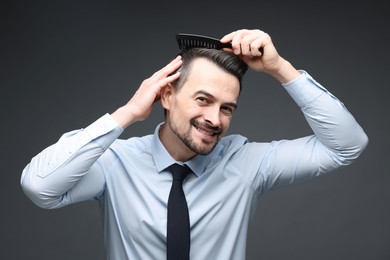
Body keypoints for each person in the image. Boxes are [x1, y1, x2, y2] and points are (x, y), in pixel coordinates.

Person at [21, 29, 368, 260]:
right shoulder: (115, 163)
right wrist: (126, 114)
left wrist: (281, 68)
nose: (215, 119)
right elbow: (40, 186)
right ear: (166, 96)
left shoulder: (247, 162)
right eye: (203, 99)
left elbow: (347, 146)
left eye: (226, 108)